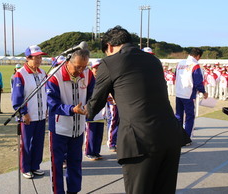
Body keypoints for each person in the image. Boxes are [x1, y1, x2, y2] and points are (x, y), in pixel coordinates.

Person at [85, 26, 182, 194]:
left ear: (109, 46)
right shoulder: (154, 60)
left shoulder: (109, 62)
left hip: (140, 140)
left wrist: (82, 110)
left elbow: (95, 105)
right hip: (170, 135)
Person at [46, 49, 95, 194]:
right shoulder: (54, 76)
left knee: (75, 163)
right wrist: (72, 109)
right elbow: (52, 104)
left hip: (78, 128)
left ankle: (74, 191)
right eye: (77, 67)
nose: (81, 71)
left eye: (84, 67)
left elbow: (93, 94)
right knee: (56, 164)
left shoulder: (88, 74)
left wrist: (90, 105)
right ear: (68, 62)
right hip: (59, 128)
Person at [11, 45, 48, 179]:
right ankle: (25, 168)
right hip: (28, 116)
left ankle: (35, 166)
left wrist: (46, 109)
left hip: (41, 115)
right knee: (27, 143)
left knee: (38, 142)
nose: (39, 60)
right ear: (28, 58)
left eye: (40, 57)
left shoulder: (43, 73)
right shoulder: (20, 74)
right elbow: (17, 98)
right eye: (36, 57)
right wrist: (24, 113)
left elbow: (46, 93)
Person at [175, 48, 208, 139]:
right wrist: (204, 92)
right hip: (188, 94)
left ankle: (177, 136)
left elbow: (176, 76)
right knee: (189, 116)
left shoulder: (180, 63)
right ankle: (186, 138)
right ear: (198, 56)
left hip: (179, 92)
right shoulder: (195, 65)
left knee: (178, 115)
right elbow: (198, 82)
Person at [85, 59, 105, 160]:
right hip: (91, 110)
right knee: (91, 134)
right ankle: (89, 152)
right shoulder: (89, 79)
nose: (97, 69)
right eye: (96, 68)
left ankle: (96, 151)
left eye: (99, 67)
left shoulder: (103, 78)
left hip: (101, 111)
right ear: (91, 68)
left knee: (99, 133)